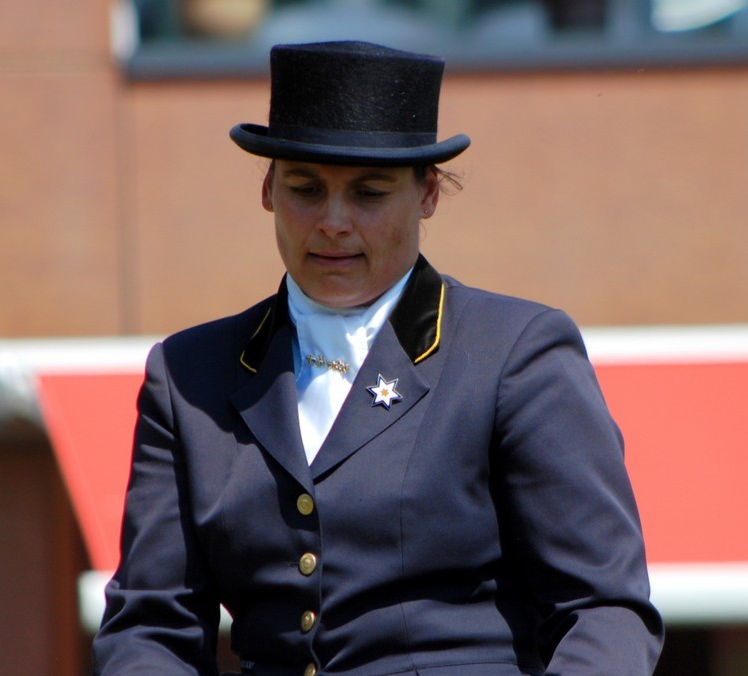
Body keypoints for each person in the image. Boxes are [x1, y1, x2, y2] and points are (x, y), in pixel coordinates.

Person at [93, 40, 663, 675]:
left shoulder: (515, 354)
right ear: (267, 190)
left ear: (428, 196)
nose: (334, 221)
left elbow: (604, 610)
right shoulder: (187, 374)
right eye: (306, 189)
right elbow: (149, 627)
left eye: (368, 193)